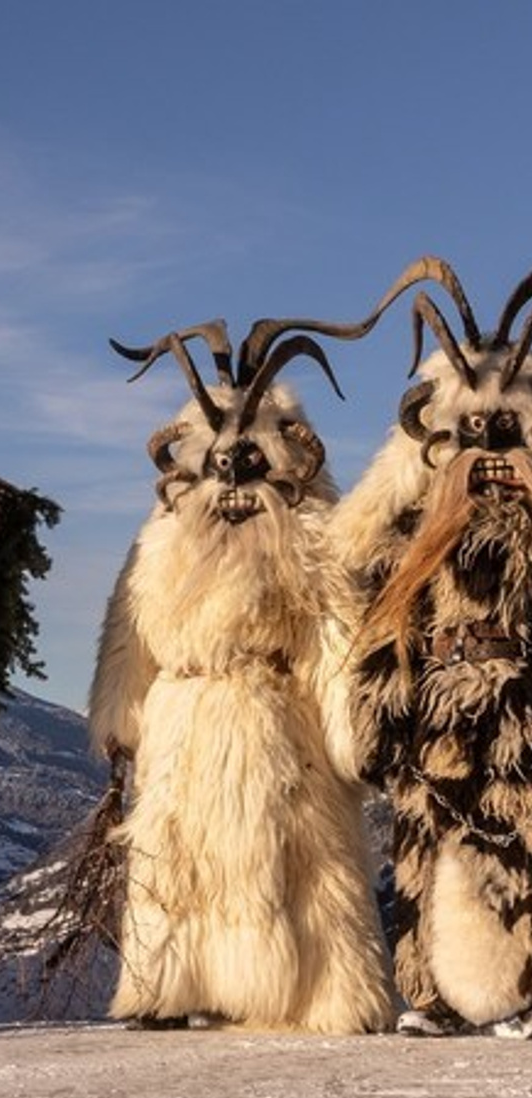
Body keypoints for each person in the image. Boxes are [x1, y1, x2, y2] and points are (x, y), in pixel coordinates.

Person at [84, 319, 391, 1034]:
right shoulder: (162, 533)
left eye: (248, 457)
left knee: (298, 854)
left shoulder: (311, 527)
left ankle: (320, 991)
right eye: (220, 458)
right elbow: (128, 628)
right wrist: (119, 711)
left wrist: (348, 723)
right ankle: (169, 984)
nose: (232, 475)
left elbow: (336, 627)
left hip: (276, 714)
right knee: (174, 854)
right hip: (183, 716)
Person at [331, 257, 532, 1039]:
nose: (489, 454)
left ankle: (520, 986)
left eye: (506, 432)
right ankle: (436, 993)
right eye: (470, 436)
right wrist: (379, 724)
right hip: (440, 703)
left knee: (518, 836)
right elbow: (387, 633)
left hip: (522, 699)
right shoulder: (413, 538)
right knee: (426, 840)